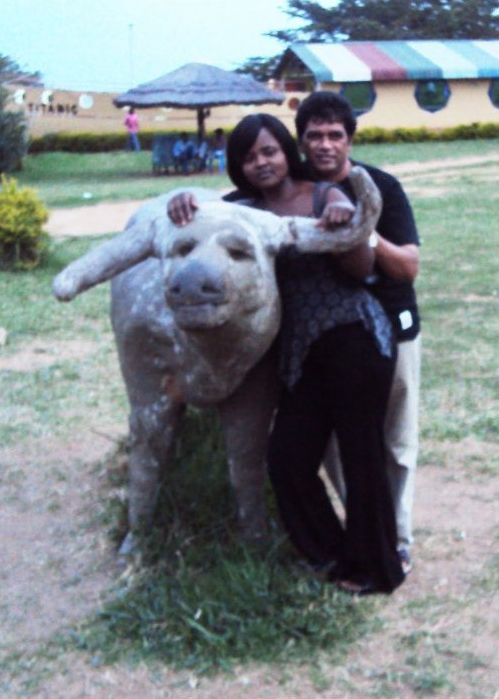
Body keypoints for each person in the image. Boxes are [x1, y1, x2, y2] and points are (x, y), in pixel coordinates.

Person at [168, 113, 405, 595]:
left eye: (269, 151)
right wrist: (183, 201)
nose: (261, 163)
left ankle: (377, 569)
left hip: (352, 339)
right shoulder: (237, 210)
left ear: (286, 152)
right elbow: (202, 224)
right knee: (287, 459)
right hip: (298, 354)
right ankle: (331, 555)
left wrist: (344, 224)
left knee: (361, 457)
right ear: (237, 166)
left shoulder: (323, 194)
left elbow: (361, 270)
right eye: (249, 157)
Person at [293, 91, 422, 574]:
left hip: (393, 322)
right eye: (314, 136)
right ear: (301, 142)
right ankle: (367, 528)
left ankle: (399, 537)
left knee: (396, 437)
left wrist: (363, 230)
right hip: (325, 339)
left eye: (334, 135)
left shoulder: (380, 186)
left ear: (350, 139)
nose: (325, 145)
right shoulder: (295, 189)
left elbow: (409, 268)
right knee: (333, 446)